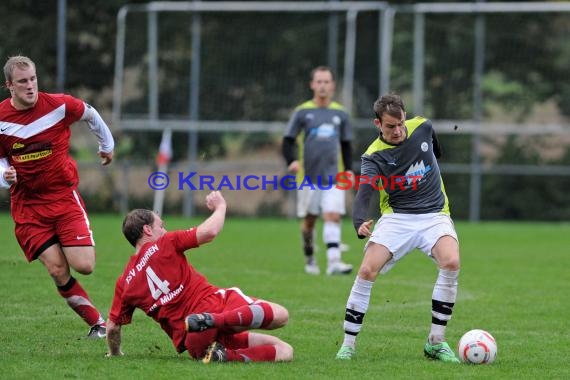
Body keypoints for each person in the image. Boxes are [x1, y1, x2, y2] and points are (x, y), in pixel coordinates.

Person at [335, 94, 461, 363]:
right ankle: (348, 345)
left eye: (400, 123)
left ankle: (436, 342)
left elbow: (435, 149)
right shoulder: (373, 156)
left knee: (451, 262)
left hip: (434, 214)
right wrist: (359, 222)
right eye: (390, 126)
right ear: (377, 124)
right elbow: (364, 192)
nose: (398, 130)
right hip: (397, 218)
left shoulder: (423, 126)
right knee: (367, 270)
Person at [106, 191, 294, 364]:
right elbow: (209, 232)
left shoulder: (124, 282)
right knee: (281, 315)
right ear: (147, 230)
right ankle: (214, 320)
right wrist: (221, 207)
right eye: (161, 226)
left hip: (193, 340)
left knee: (285, 350)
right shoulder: (165, 242)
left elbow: (113, 327)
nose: (164, 230)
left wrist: (115, 353)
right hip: (212, 305)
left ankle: (224, 355)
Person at [0, 55, 114, 338]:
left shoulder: (58, 105)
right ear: (9, 86)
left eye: (33, 79)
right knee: (56, 268)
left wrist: (107, 145)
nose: (30, 86)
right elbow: (1, 161)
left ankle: (67, 241)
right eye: (23, 82)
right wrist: (5, 176)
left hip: (62, 198)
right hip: (28, 207)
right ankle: (97, 324)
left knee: (84, 265)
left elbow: (90, 113)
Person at [282, 65, 353, 276]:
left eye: (327, 82)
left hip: (334, 176)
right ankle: (310, 255)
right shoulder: (303, 111)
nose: (323, 86)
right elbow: (287, 140)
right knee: (310, 220)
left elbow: (346, 143)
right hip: (308, 178)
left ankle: (334, 263)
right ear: (312, 85)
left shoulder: (340, 113)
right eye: (319, 82)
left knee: (332, 215)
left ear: (332, 85)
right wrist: (292, 160)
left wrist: (348, 169)